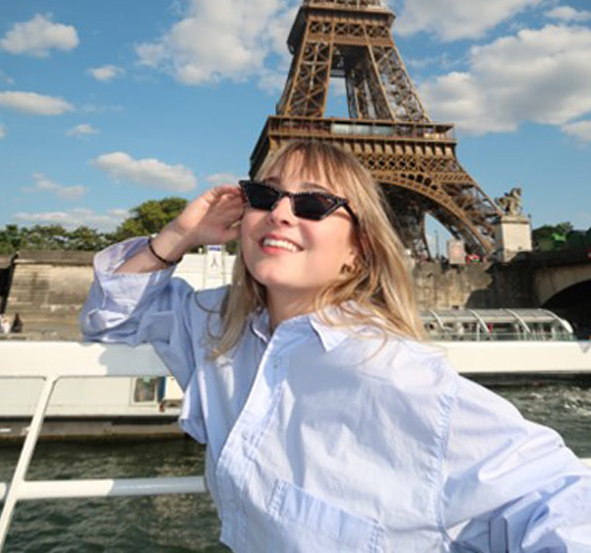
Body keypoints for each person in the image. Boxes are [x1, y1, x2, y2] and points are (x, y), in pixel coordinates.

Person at [80, 140, 591, 552]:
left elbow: (557, 500)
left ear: (358, 251)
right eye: (265, 195)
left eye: (313, 203)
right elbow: (114, 317)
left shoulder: (396, 378)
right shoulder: (219, 330)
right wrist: (179, 234)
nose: (281, 212)